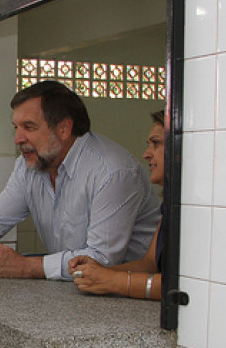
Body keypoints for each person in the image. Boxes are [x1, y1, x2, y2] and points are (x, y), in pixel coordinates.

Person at [0, 80, 160, 281]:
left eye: (29, 127)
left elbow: (102, 259)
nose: (18, 138)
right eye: (16, 127)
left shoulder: (112, 171)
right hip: (81, 292)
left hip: (133, 302)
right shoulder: (30, 166)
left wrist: (28, 267)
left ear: (64, 129)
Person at [68, 110, 166, 300]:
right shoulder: (172, 207)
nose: (146, 154)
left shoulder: (203, 210)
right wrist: (97, 272)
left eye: (156, 143)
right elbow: (149, 264)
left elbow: (187, 287)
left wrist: (114, 281)